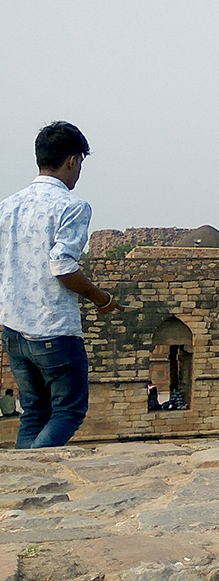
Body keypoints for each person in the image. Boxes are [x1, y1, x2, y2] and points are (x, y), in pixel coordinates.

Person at [0, 122, 120, 448]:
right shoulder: (71, 206)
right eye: (80, 162)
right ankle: (37, 469)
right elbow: (63, 267)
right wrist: (100, 297)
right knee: (68, 410)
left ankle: (25, 483)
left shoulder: (7, 207)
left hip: (13, 330)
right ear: (71, 160)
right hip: (53, 330)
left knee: (35, 412)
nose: (79, 170)